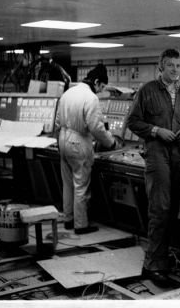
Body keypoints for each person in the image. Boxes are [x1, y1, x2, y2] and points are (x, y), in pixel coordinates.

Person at [127, 49, 180, 286]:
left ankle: (164, 258)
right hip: (156, 153)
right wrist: (156, 130)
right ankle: (153, 264)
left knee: (172, 209)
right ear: (160, 67)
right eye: (170, 65)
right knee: (160, 209)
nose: (175, 69)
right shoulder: (148, 90)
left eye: (178, 65)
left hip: (178, 154)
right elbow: (132, 121)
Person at [54, 64, 119, 235]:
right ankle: (81, 225)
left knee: (67, 184)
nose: (101, 90)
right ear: (96, 82)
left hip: (63, 138)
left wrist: (59, 141)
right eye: (102, 86)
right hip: (78, 142)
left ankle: (68, 219)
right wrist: (111, 143)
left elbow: (57, 121)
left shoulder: (67, 93)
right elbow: (96, 127)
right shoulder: (90, 98)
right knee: (81, 185)